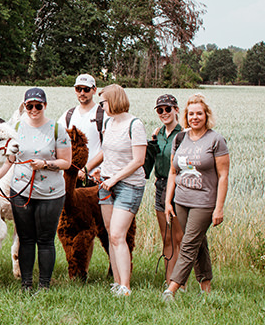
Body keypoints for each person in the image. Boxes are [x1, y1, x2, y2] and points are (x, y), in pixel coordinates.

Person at [0, 88, 71, 292]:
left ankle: (44, 285)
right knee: (26, 238)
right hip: (21, 191)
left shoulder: (57, 129)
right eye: (29, 106)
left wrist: (45, 164)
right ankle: (26, 284)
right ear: (24, 106)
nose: (33, 109)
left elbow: (66, 162)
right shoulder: (17, 127)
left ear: (45, 106)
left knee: (45, 240)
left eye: (38, 106)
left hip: (50, 193)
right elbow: (9, 161)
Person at [162, 94, 229, 302]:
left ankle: (171, 289)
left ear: (206, 115)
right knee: (199, 243)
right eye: (191, 114)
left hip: (204, 202)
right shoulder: (180, 138)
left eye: (199, 113)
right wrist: (168, 201)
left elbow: (223, 175)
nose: (195, 117)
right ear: (186, 116)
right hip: (181, 201)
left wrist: (219, 208)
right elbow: (173, 172)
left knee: (189, 243)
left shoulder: (215, 140)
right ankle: (206, 288)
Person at [97, 84, 147, 297]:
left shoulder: (134, 125)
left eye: (103, 102)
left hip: (129, 185)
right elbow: (105, 152)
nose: (102, 107)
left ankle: (125, 287)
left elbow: (138, 160)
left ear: (114, 100)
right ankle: (117, 283)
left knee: (118, 234)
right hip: (106, 183)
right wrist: (90, 169)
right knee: (110, 234)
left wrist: (115, 178)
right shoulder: (108, 122)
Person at [143, 94, 184, 284]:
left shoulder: (184, 134)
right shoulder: (157, 133)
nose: (164, 113)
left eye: (168, 109)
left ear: (176, 110)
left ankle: (179, 282)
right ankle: (169, 282)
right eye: (160, 110)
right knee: (166, 237)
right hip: (160, 185)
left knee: (178, 238)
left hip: (177, 187)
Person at [58, 74, 105, 185]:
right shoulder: (68, 115)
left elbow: (107, 148)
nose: (82, 93)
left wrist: (86, 169)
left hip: (95, 177)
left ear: (94, 90)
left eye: (86, 89)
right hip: (71, 178)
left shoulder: (102, 115)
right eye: (78, 89)